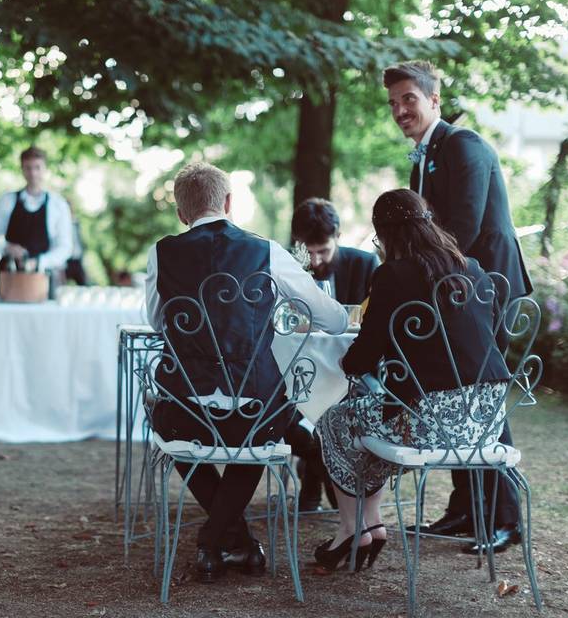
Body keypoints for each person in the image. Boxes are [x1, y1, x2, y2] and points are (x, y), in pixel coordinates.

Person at [145, 162, 347, 582]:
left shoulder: (162, 252)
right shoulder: (266, 251)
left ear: (182, 214)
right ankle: (224, 540)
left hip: (189, 408)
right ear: (230, 203)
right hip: (251, 408)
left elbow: (155, 321)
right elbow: (334, 321)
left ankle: (219, 541)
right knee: (262, 428)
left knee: (170, 429)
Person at [315, 189, 511, 571]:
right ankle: (371, 523)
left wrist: (344, 357)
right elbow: (495, 342)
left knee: (334, 421)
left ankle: (353, 529)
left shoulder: (392, 275)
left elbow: (362, 359)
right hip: (489, 422)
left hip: (431, 425)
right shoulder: (474, 268)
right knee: (370, 417)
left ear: (386, 236)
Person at [384, 60, 531, 553]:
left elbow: (463, 229)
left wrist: (416, 280)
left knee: (482, 392)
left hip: (486, 289)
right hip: (453, 293)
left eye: (408, 98)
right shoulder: (422, 158)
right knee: (456, 389)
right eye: (393, 103)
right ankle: (465, 510)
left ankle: (506, 518)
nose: (400, 109)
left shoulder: (463, 146)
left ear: (433, 100)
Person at [289, 197, 379, 511]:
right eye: (308, 252)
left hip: (351, 373)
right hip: (298, 372)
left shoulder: (365, 265)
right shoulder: (289, 268)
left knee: (353, 408)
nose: (314, 261)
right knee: (283, 413)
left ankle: (316, 472)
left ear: (338, 237)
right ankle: (319, 463)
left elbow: (375, 325)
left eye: (323, 251)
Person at [0, 146, 73, 282]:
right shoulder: (7, 200)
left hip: (43, 278)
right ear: (22, 169)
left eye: (37, 167)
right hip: (10, 275)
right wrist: (7, 247)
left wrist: (39, 262)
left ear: (45, 169)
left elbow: (65, 247)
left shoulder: (58, 204)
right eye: (28, 168)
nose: (33, 173)